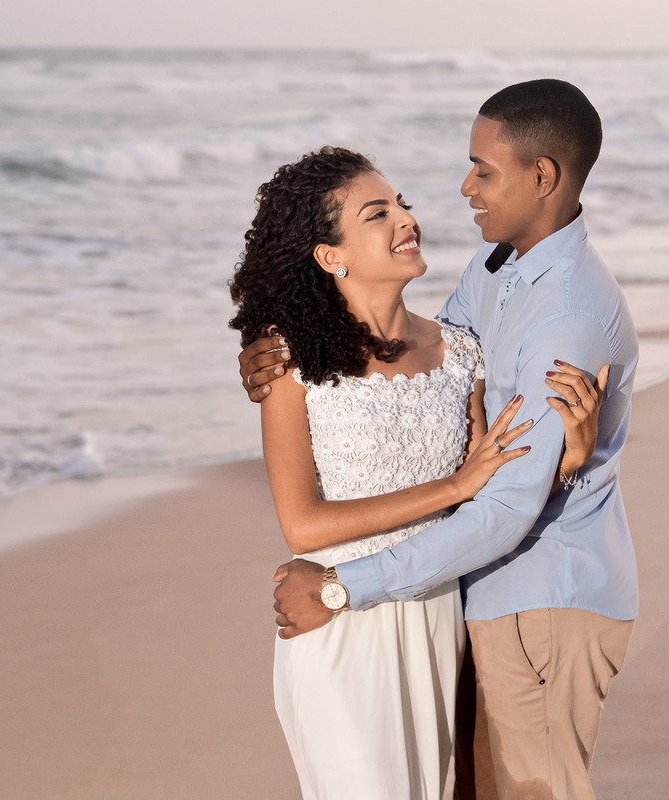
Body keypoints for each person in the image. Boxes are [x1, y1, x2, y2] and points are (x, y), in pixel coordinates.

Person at [242, 80, 639, 800]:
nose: (460, 190)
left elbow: (505, 501)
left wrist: (570, 461)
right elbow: (443, 422)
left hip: (514, 597)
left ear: (541, 176)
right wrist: (272, 355)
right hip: (417, 608)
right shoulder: (490, 279)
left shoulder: (560, 317)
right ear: (329, 255)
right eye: (380, 211)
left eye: (483, 170)